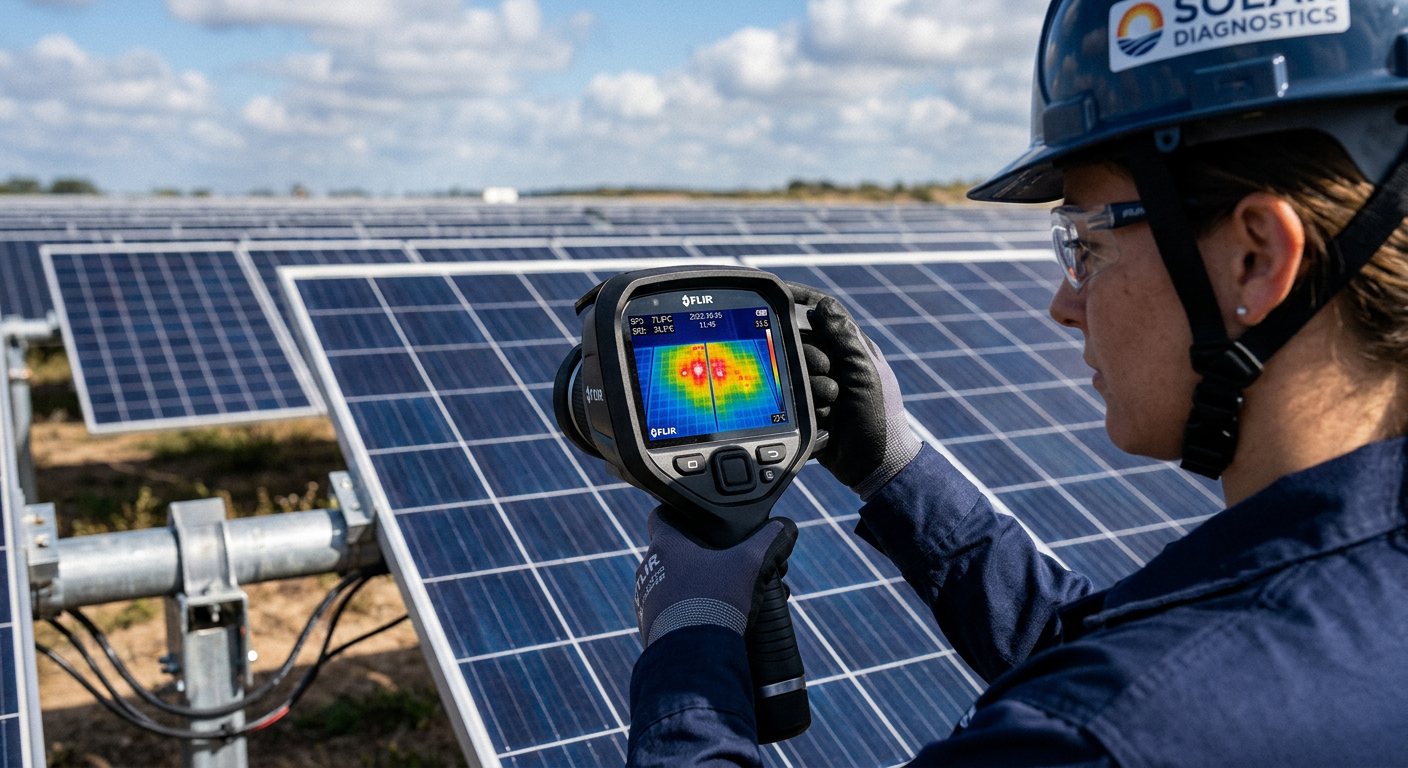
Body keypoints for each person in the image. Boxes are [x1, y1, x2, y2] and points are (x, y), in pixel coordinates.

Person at [626, 0, 1408, 764]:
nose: (1063, 304)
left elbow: (1122, 704)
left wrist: (689, 647)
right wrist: (894, 467)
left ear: (1254, 258)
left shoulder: (1100, 736)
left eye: (1086, 244)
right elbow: (1111, 650)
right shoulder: (1329, 611)